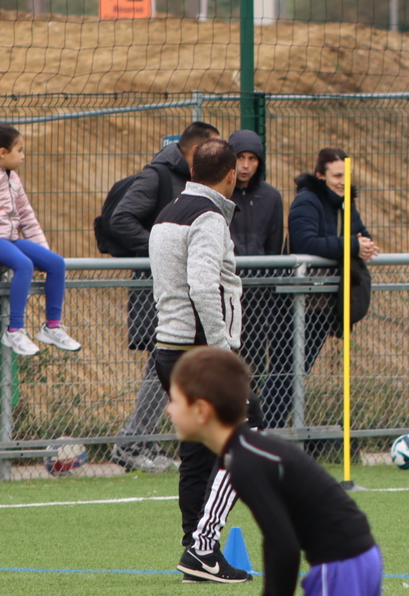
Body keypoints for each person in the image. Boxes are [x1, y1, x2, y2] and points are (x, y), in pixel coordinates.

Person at [166, 347, 382, 596]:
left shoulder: (245, 461)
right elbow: (276, 540)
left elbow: (284, 546)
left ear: (202, 411)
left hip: (342, 562)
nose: (168, 409)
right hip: (352, 557)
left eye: (175, 401)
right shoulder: (241, 452)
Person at [148, 136, 254, 584]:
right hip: (200, 355)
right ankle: (204, 547)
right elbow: (203, 286)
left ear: (192, 170)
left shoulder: (168, 213)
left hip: (169, 349)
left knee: (196, 453)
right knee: (246, 439)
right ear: (230, 176)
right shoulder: (208, 217)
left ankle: (196, 549)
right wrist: (222, 353)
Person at [108, 121, 222, 474]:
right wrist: (164, 252)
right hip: (159, 287)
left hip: (180, 286)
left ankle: (144, 441)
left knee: (171, 367)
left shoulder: (189, 181)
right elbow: (121, 219)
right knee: (164, 364)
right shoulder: (157, 176)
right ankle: (132, 441)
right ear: (196, 151)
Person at [0, 120, 80, 356]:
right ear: (3, 152)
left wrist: (43, 251)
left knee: (56, 263)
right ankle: (14, 330)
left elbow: (27, 216)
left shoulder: (12, 178)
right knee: (24, 264)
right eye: (19, 150)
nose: (23, 156)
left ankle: (52, 326)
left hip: (9, 239)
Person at [288, 148, 379, 382]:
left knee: (299, 371)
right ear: (320, 175)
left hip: (324, 301)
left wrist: (362, 245)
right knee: (287, 372)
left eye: (347, 175)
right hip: (300, 300)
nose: (343, 182)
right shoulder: (307, 201)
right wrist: (352, 245)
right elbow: (305, 242)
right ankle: (266, 408)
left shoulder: (345, 204)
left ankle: (276, 408)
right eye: (337, 176)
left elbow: (362, 235)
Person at [227, 130, 292, 429]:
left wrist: (267, 287)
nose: (245, 165)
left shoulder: (271, 197)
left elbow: (273, 247)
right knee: (224, 364)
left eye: (252, 159)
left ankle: (249, 427)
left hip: (258, 298)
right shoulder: (220, 194)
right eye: (240, 157)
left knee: (254, 365)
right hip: (225, 293)